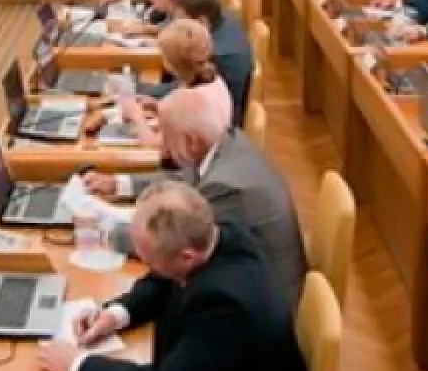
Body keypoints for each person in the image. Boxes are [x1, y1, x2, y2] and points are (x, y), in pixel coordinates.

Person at [36, 183, 309, 371]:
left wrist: (79, 365)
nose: (148, 266)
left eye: (150, 260)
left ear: (187, 257)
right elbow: (162, 281)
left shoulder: (224, 306)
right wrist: (116, 313)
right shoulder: (220, 235)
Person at [87, 91, 307, 305]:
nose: (162, 148)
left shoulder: (225, 187)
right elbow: (184, 178)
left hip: (260, 302)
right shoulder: (226, 142)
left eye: (166, 137)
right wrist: (119, 184)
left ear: (192, 142)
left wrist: (101, 230)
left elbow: (169, 245)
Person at [121, 20, 234, 153]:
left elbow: (155, 145)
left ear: (169, 64)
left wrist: (136, 116)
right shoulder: (216, 80)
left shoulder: (182, 100)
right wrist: (157, 106)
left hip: (191, 163)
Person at [175, 0, 254, 126]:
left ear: (201, 21)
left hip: (221, 124)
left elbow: (183, 93)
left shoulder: (215, 56)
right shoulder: (226, 20)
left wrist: (142, 89)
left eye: (182, 21)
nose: (177, 26)